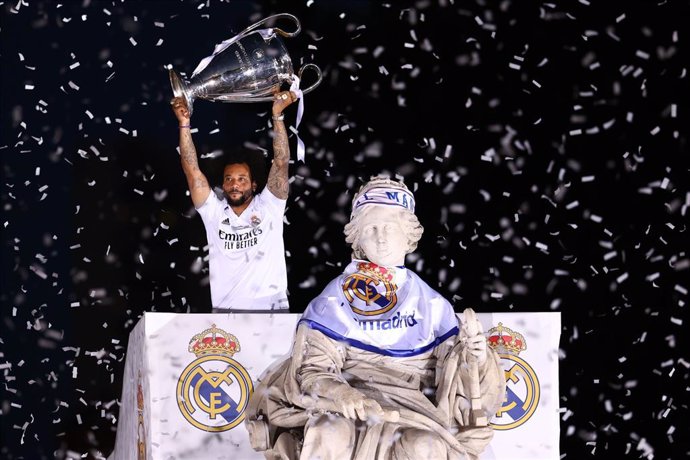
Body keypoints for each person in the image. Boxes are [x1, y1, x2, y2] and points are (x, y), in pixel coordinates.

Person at [245, 176, 506, 459]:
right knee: (327, 431)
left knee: (425, 446)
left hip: (412, 413)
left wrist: (477, 359)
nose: (381, 237)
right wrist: (342, 394)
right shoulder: (333, 300)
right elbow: (312, 372)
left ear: (408, 236)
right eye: (371, 229)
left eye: (390, 228)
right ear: (357, 238)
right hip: (345, 405)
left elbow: (457, 378)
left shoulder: (432, 305)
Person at [170, 90, 297, 312]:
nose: (234, 184)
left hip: (272, 316)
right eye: (229, 179)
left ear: (254, 185)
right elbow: (192, 171)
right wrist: (184, 124)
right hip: (226, 319)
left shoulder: (270, 206)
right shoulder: (214, 213)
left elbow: (281, 162)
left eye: (241, 179)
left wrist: (277, 116)